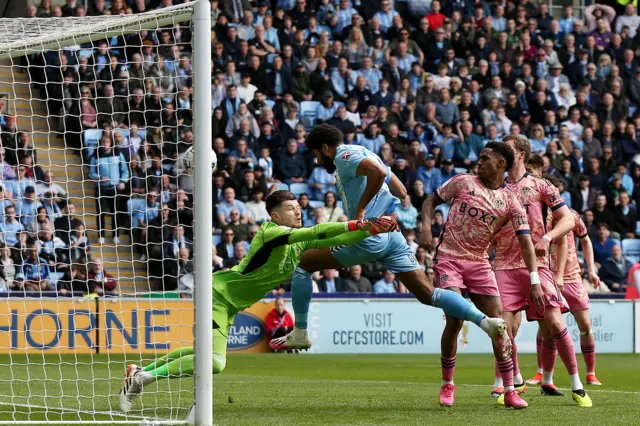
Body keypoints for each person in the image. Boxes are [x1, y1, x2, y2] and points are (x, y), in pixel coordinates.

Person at [119, 190, 399, 412]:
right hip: (216, 295)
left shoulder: (296, 242)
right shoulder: (271, 232)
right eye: (291, 209)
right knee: (215, 362)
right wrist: (361, 223)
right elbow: (317, 232)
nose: (298, 211)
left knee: (199, 351)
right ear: (275, 216)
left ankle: (138, 371)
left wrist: (373, 229)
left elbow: (339, 236)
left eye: (298, 208)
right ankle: (144, 379)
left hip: (230, 304)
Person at [273, 124, 511, 357]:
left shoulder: (343, 156)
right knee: (428, 294)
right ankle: (485, 321)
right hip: (391, 233)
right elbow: (400, 189)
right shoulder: (363, 151)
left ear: (325, 148)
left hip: (369, 234)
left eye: (316, 154)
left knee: (303, 264)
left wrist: (362, 209)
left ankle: (301, 332)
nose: (317, 161)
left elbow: (376, 174)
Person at [421, 142, 538, 409]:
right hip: (449, 259)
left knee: (500, 326)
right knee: (454, 321)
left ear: (500, 164)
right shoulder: (463, 182)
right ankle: (447, 385)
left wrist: (535, 280)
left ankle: (509, 390)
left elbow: (526, 243)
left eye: (486, 158)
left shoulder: (511, 202)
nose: (479, 161)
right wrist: (426, 229)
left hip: (480, 263)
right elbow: (430, 201)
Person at [491, 134, 592, 408]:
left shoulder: (540, 185)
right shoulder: (496, 189)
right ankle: (513, 382)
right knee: (503, 329)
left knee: (556, 323)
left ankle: (577, 385)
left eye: (508, 149)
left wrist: (548, 238)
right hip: (504, 265)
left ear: (521, 154)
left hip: (537, 266)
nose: (503, 153)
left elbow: (568, 219)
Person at [524, 165, 603, 389]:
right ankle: (542, 374)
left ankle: (591, 373)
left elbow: (585, 240)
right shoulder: (538, 217)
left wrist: (591, 269)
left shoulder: (571, 216)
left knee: (585, 325)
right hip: (548, 276)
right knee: (546, 328)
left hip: (572, 278)